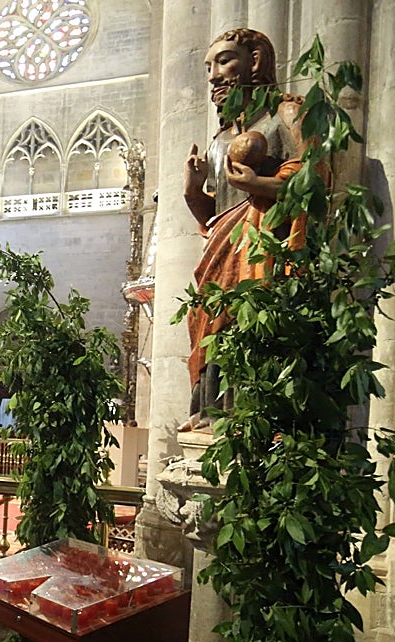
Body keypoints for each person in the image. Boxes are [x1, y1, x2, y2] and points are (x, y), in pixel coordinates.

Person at [182, 27, 306, 430]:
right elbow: (212, 214)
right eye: (208, 67)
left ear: (254, 61)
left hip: (261, 244)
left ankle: (243, 411)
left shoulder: (283, 115)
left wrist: (255, 185)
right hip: (222, 243)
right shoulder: (221, 138)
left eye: (224, 61)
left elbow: (309, 180)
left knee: (245, 319)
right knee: (208, 318)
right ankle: (208, 408)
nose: (214, 76)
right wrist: (192, 191)